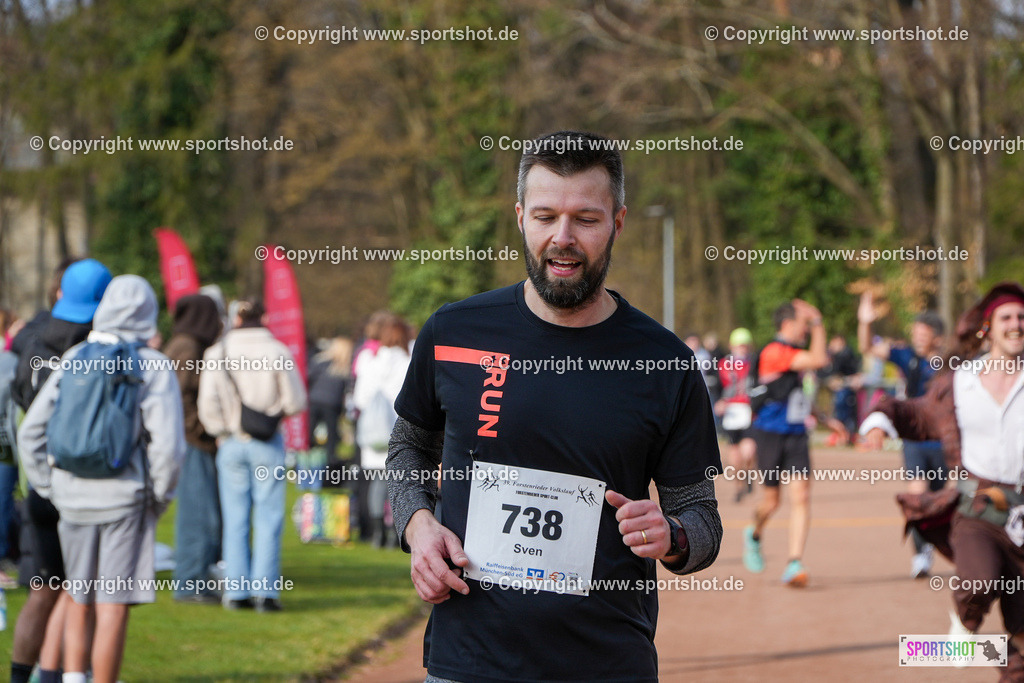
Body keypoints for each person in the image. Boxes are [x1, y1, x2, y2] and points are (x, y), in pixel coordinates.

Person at [386, 130, 722, 682]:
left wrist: (674, 535)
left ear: (617, 222)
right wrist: (418, 526)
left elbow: (702, 518)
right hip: (469, 662)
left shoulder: (665, 362)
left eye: (586, 220)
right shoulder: (453, 331)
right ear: (520, 217)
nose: (562, 238)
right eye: (545, 217)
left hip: (607, 663)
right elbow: (407, 447)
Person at [18, 274, 186, 683]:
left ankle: (74, 678)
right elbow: (169, 447)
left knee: (78, 596)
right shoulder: (152, 366)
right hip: (124, 499)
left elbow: (30, 432)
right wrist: (158, 496)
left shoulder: (76, 357)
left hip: (72, 497)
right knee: (112, 603)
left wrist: (48, 486)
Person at [860, 282, 1024, 681]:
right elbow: (914, 412)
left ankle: (1005, 663)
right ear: (987, 327)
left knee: (1019, 643)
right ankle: (964, 626)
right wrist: (879, 423)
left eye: (1022, 317)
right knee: (978, 582)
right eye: (1007, 317)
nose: (1017, 324)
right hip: (978, 509)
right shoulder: (962, 382)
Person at [9, 258, 111, 683]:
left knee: (43, 590)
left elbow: (20, 405)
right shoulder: (96, 349)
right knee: (81, 593)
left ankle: (25, 678)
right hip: (80, 486)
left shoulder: (31, 343)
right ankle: (71, 674)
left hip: (38, 488)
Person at [197, 297, 306, 612]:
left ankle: (236, 591)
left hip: (231, 442)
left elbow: (208, 405)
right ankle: (266, 592)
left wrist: (221, 430)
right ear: (265, 317)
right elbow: (296, 401)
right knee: (269, 517)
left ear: (236, 318)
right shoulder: (277, 351)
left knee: (234, 518)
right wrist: (272, 415)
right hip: (267, 443)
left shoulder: (217, 353)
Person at [858, 291, 947, 577]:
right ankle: (921, 556)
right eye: (915, 332)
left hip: (944, 442)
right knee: (917, 495)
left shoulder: (952, 361)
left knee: (941, 501)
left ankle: (945, 545)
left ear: (938, 336)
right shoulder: (906, 355)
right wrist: (865, 322)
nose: (918, 337)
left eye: (924, 333)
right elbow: (867, 347)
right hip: (914, 441)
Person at [742, 299, 828, 587]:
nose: (807, 330)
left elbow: (794, 393)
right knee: (772, 501)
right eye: (803, 324)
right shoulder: (775, 351)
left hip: (796, 434)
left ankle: (794, 563)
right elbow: (819, 359)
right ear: (788, 324)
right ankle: (754, 533)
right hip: (769, 435)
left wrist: (824, 417)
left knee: (801, 496)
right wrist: (818, 321)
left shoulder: (791, 354)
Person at [164, 293, 223, 604]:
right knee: (196, 515)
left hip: (193, 441)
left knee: (206, 514)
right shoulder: (187, 347)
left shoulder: (188, 344)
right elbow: (179, 400)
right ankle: (188, 584)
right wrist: (204, 431)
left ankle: (198, 577)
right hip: (192, 444)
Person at [353, 315, 410, 547]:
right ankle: (395, 533)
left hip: (373, 431)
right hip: (398, 429)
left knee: (377, 482)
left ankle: (377, 533)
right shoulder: (407, 361)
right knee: (399, 481)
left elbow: (359, 398)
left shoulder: (371, 361)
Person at [716, 327, 757, 503]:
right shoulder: (723, 364)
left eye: (745, 346)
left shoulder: (755, 364)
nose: (742, 349)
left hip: (749, 412)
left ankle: (748, 474)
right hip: (731, 413)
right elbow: (714, 387)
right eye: (739, 346)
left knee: (748, 452)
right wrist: (718, 401)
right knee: (735, 456)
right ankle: (739, 486)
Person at [307, 336, 354, 467]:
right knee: (332, 435)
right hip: (333, 403)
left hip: (314, 400)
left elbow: (308, 377)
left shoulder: (320, 361)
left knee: (309, 432)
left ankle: (306, 460)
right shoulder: (344, 367)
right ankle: (329, 462)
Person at [818, 334, 862, 445]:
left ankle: (846, 435)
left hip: (846, 389)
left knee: (845, 413)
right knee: (840, 412)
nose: (831, 345)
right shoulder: (837, 355)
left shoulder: (845, 354)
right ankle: (840, 434)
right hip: (842, 389)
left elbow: (839, 371)